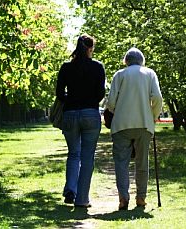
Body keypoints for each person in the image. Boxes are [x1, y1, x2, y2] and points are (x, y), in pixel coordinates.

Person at [106, 47, 163, 210]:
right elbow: (157, 98)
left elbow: (110, 103)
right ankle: (141, 197)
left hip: (121, 125)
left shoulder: (119, 75)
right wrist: (153, 115)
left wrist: (117, 110)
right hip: (144, 124)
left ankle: (123, 198)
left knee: (121, 163)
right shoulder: (150, 73)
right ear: (142, 61)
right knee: (142, 162)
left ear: (126, 61)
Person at [56, 34, 106, 208]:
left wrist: (72, 98)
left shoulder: (66, 68)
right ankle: (82, 199)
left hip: (70, 115)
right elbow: (100, 94)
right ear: (91, 48)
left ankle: (70, 188)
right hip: (90, 114)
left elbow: (60, 94)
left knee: (73, 154)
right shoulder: (98, 67)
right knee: (87, 157)